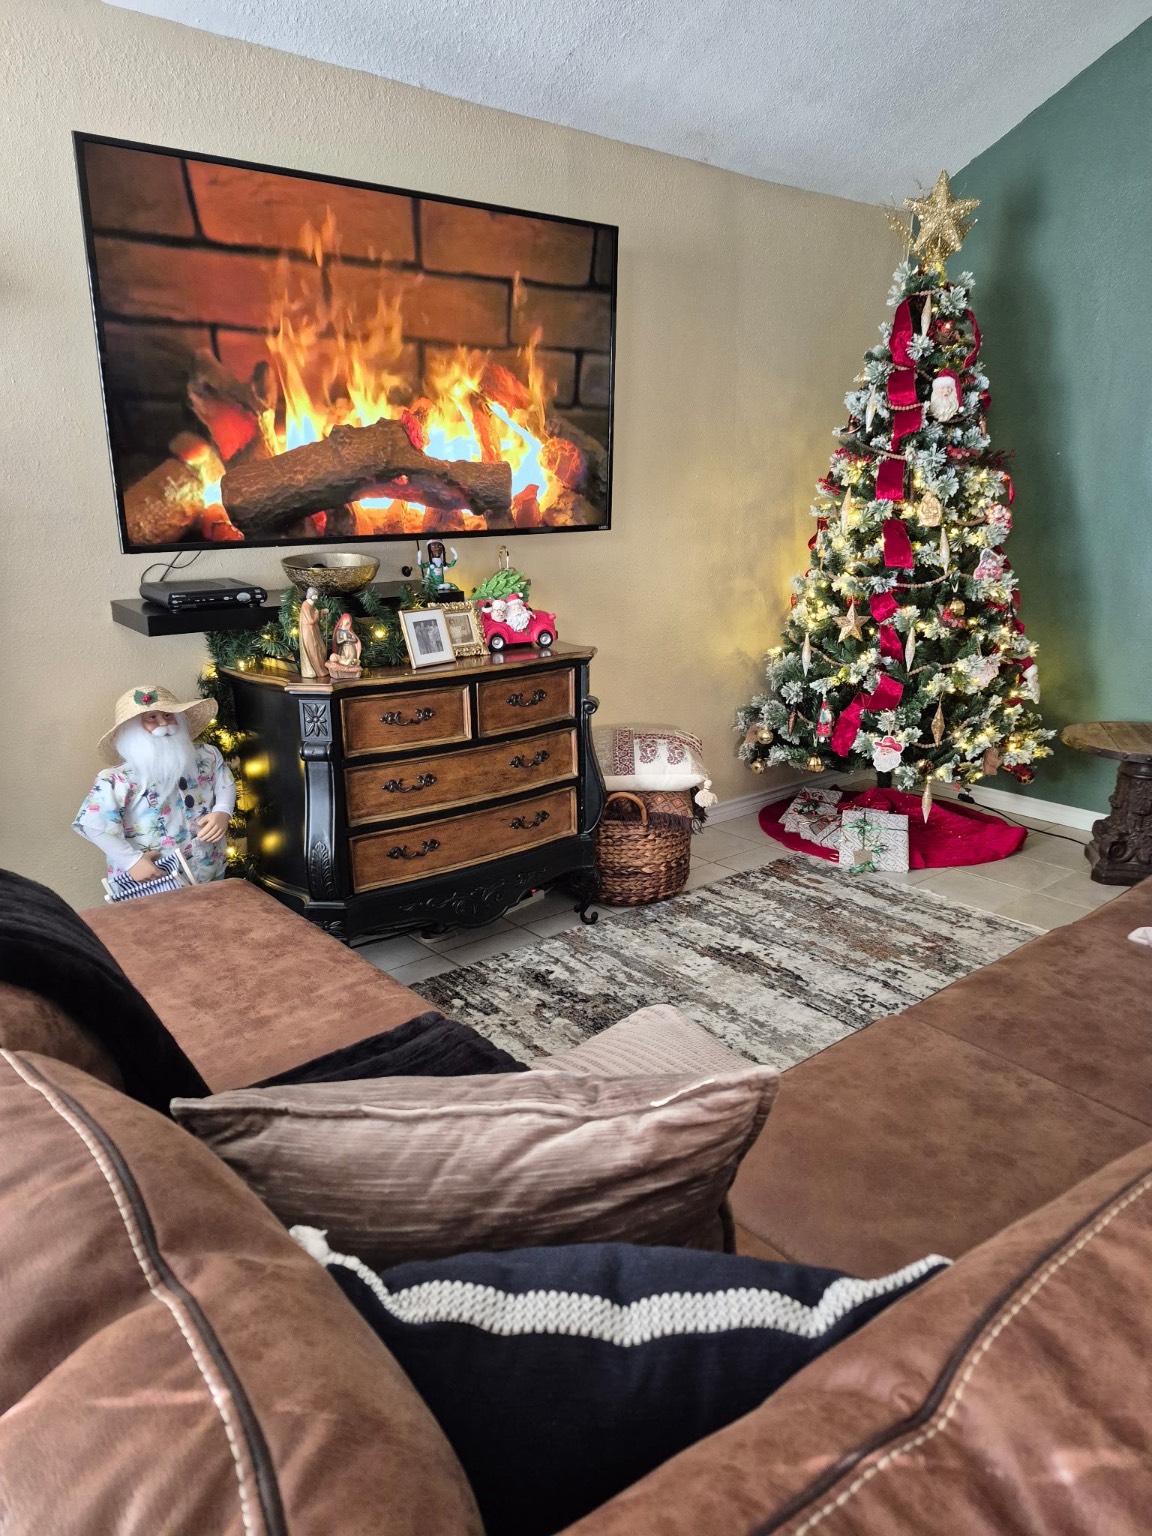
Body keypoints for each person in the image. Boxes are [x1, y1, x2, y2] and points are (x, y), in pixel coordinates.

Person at [73, 686, 236, 886]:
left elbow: (225, 782)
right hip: (153, 878)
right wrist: (131, 861)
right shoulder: (117, 779)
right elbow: (93, 824)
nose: (163, 723)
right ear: (132, 729)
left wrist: (223, 810)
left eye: (168, 715)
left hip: (207, 863)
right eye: (151, 717)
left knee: (213, 904)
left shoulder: (206, 755)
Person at [298, 586, 328, 680]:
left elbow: (315, 619)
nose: (316, 597)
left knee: (321, 649)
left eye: (317, 595)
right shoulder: (306, 606)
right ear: (310, 595)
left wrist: (321, 612)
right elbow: (311, 621)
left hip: (314, 630)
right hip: (308, 631)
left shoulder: (312, 604)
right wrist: (319, 612)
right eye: (315, 595)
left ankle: (321, 669)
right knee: (314, 651)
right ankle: (318, 670)